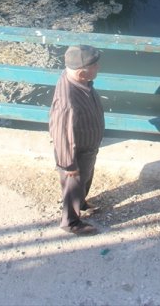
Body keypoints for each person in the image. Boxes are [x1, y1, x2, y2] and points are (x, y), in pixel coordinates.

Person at [49, 45, 105, 235]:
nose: (98, 68)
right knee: (73, 184)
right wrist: (68, 165)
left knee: (86, 177)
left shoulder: (76, 79)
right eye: (95, 66)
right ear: (81, 73)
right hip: (76, 152)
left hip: (87, 145)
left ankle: (81, 202)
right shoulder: (68, 102)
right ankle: (70, 222)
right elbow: (61, 133)